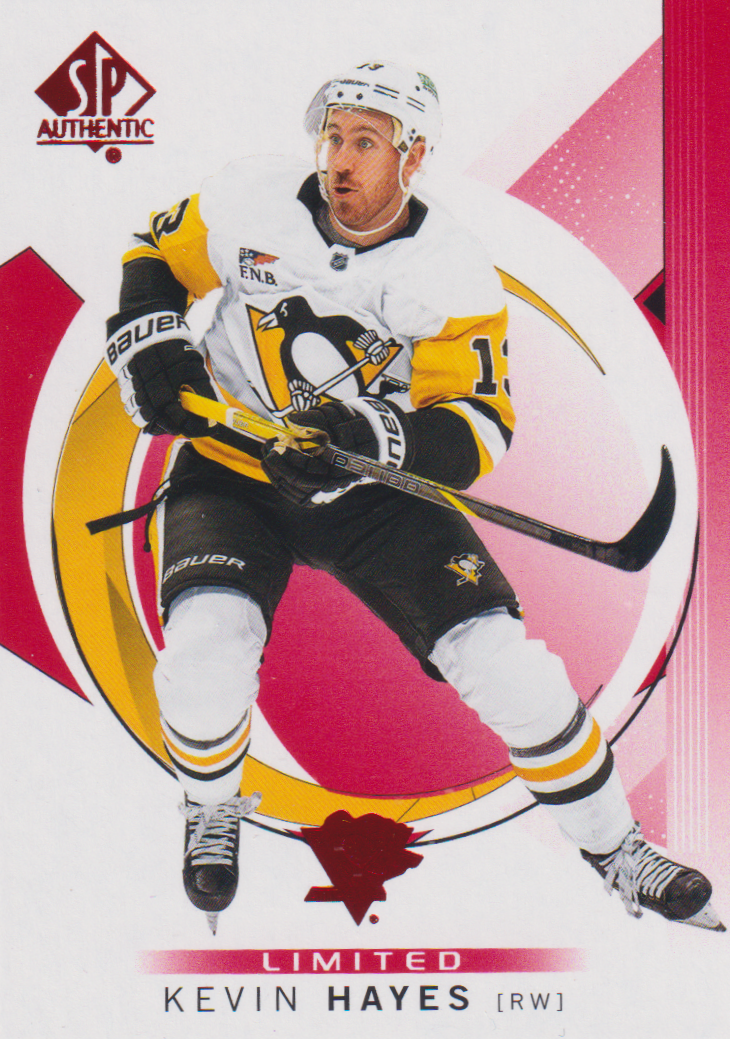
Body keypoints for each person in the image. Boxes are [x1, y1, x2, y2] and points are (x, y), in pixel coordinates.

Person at [104, 61, 723, 935]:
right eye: (332, 136)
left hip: (373, 490)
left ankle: (618, 848)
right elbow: (155, 251)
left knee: (511, 669)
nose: (339, 159)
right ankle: (210, 806)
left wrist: (369, 438)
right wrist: (152, 342)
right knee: (204, 658)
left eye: (366, 142)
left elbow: (479, 426)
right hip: (234, 467)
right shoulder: (249, 199)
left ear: (415, 155)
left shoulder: (452, 271)